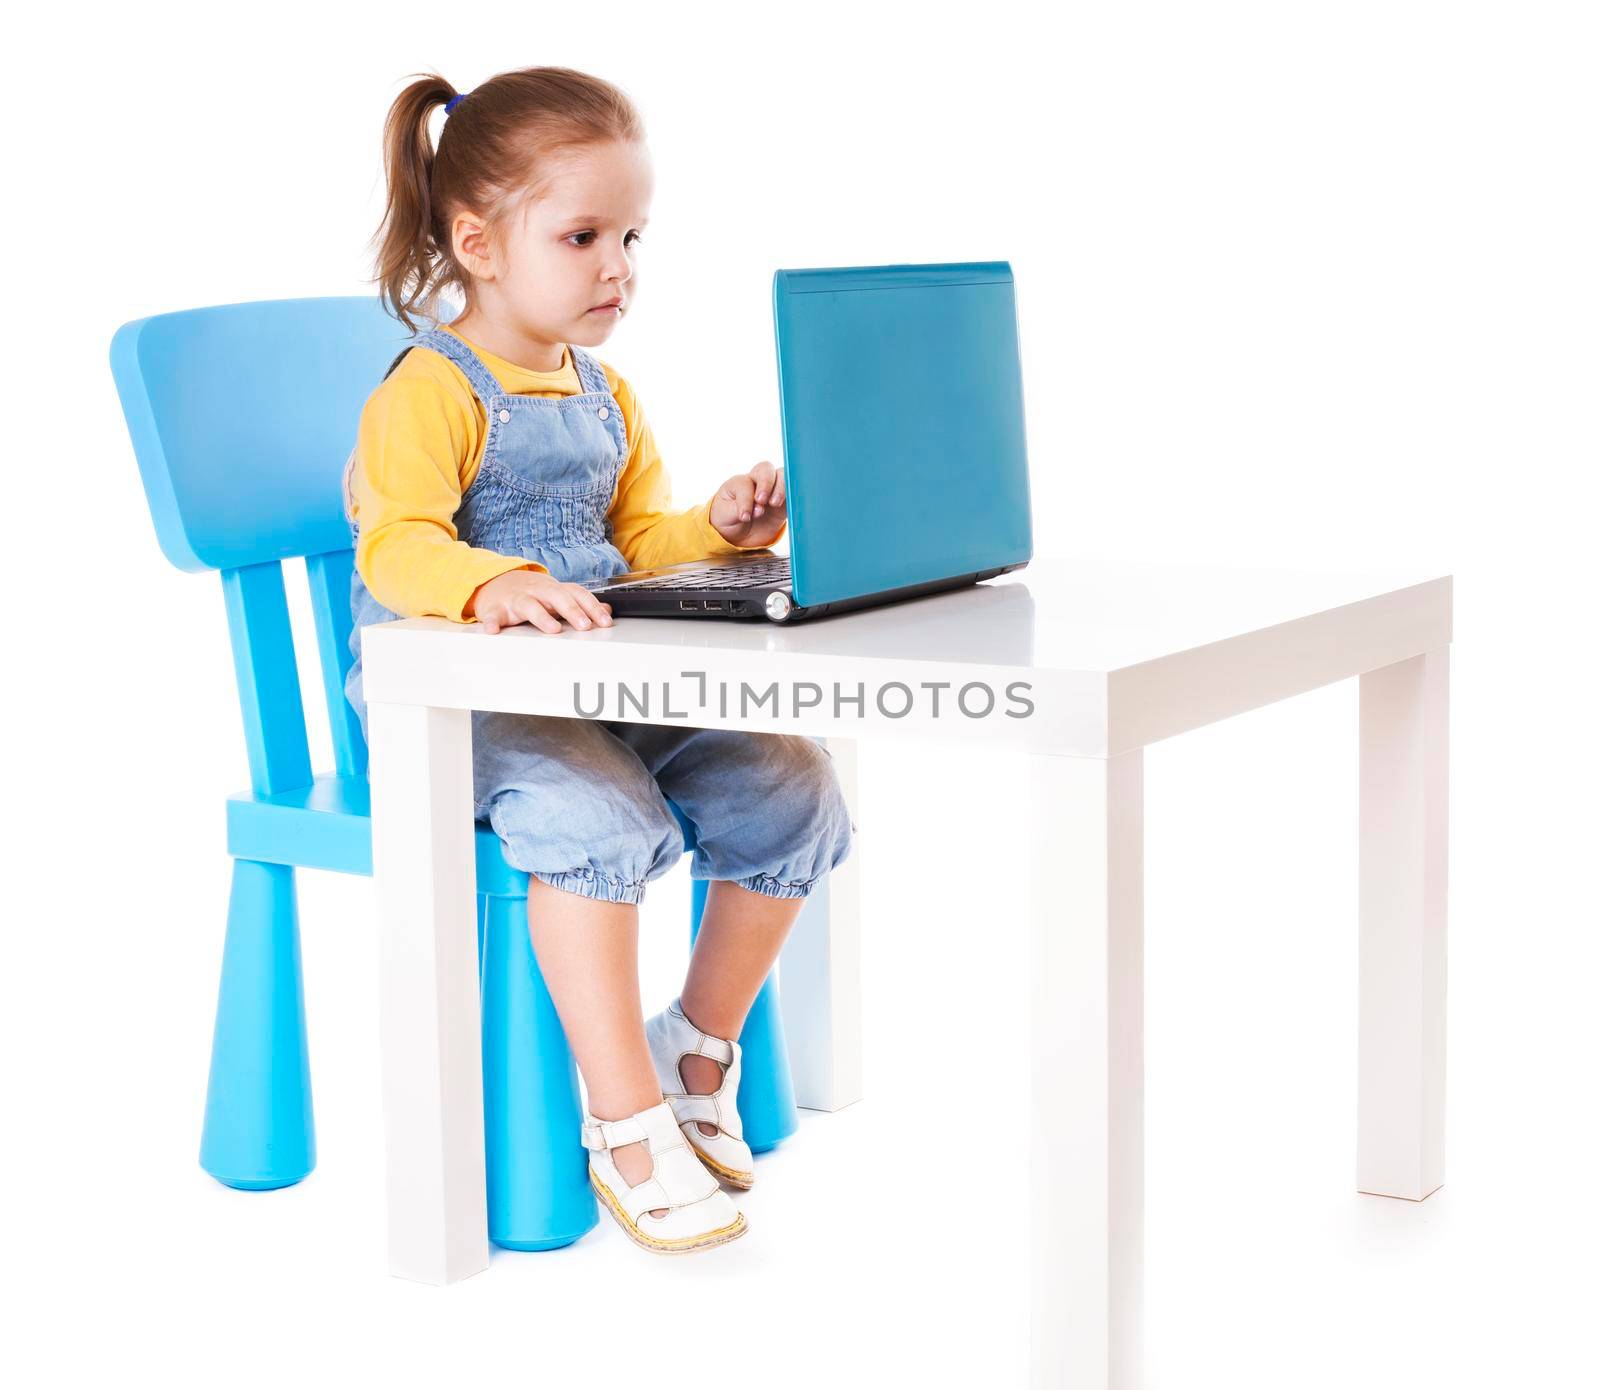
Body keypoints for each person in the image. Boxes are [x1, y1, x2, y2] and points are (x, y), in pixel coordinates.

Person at [343, 67, 853, 1254]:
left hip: (597, 690)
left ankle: (696, 1043)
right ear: (475, 243)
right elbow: (399, 543)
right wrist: (491, 580)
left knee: (793, 779)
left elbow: (634, 546)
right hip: (454, 707)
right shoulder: (430, 392)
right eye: (582, 236)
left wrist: (713, 532)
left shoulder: (607, 392)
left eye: (630, 235)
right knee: (601, 816)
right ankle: (622, 1117)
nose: (616, 265)